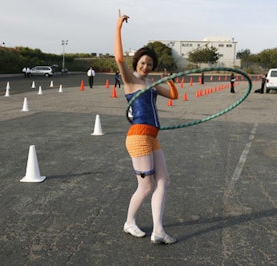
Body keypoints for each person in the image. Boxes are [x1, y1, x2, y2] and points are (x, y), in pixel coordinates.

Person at [115, 10, 178, 245]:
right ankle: (129, 222)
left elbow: (174, 95)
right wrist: (118, 27)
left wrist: (169, 79)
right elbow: (119, 58)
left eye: (149, 64)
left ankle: (158, 230)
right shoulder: (131, 81)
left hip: (153, 137)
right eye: (143, 62)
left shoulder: (150, 83)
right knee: (146, 185)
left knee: (164, 181)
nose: (146, 66)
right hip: (138, 136)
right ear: (136, 63)